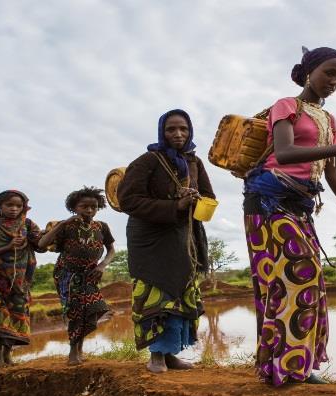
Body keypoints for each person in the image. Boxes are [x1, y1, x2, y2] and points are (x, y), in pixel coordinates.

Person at [244, 46, 336, 386]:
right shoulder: (287, 106)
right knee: (297, 275)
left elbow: (333, 174)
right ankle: (280, 365)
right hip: (268, 200)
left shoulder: (329, 119)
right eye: (330, 72)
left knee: (313, 281)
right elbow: (283, 153)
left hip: (301, 205)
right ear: (310, 71)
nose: (335, 81)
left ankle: (299, 363)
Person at [118, 109, 215, 373]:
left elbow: (208, 195)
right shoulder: (148, 161)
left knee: (181, 294)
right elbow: (128, 200)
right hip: (150, 239)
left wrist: (196, 200)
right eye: (171, 129)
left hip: (183, 237)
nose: (178, 134)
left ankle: (171, 354)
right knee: (155, 295)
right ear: (162, 131)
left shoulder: (194, 162)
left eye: (183, 129)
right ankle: (156, 356)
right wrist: (174, 205)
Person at [38, 186, 115, 365]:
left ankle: (78, 349)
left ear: (98, 208)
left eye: (93, 207)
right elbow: (42, 243)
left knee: (96, 308)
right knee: (75, 312)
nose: (89, 210)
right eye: (84, 206)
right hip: (67, 274)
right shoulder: (66, 226)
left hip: (90, 275)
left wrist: (103, 265)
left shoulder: (102, 227)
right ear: (74, 207)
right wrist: (62, 224)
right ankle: (74, 353)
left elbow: (111, 250)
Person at [0, 190, 45, 368]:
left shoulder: (28, 225)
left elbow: (41, 247)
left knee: (16, 314)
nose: (14, 209)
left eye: (18, 206)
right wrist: (7, 247)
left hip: (19, 280)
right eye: (9, 205)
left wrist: (50, 232)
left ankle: (8, 355)